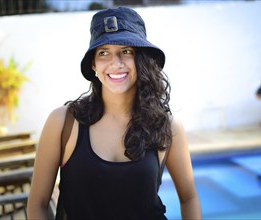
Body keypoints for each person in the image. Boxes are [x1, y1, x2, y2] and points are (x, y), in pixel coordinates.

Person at [27, 6, 201, 220]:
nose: (115, 63)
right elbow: (37, 205)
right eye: (104, 53)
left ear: (141, 59)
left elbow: (189, 197)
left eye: (126, 51)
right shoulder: (63, 122)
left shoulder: (167, 126)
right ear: (93, 64)